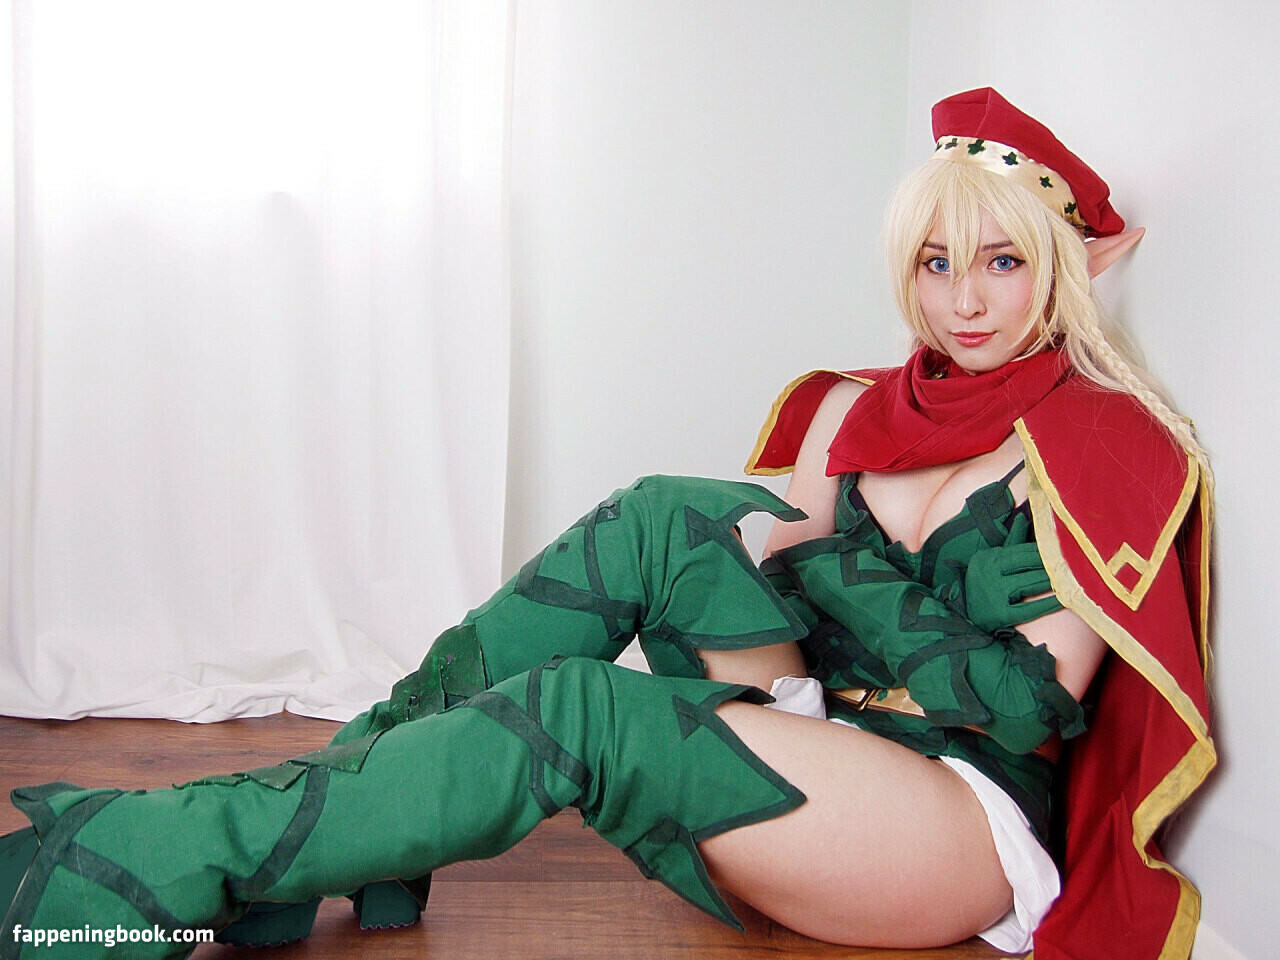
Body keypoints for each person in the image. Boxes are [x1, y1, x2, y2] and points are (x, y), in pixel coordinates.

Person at [0, 88, 1213, 960]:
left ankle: (151, 870)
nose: (961, 301)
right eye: (936, 263)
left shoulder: (1097, 444)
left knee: (576, 712)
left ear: (1061, 265)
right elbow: (780, 568)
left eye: (1000, 263)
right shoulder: (862, 408)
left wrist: (838, 558)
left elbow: (1019, 705)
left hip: (946, 822)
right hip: (827, 747)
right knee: (657, 515)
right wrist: (818, 553)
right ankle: (332, 818)